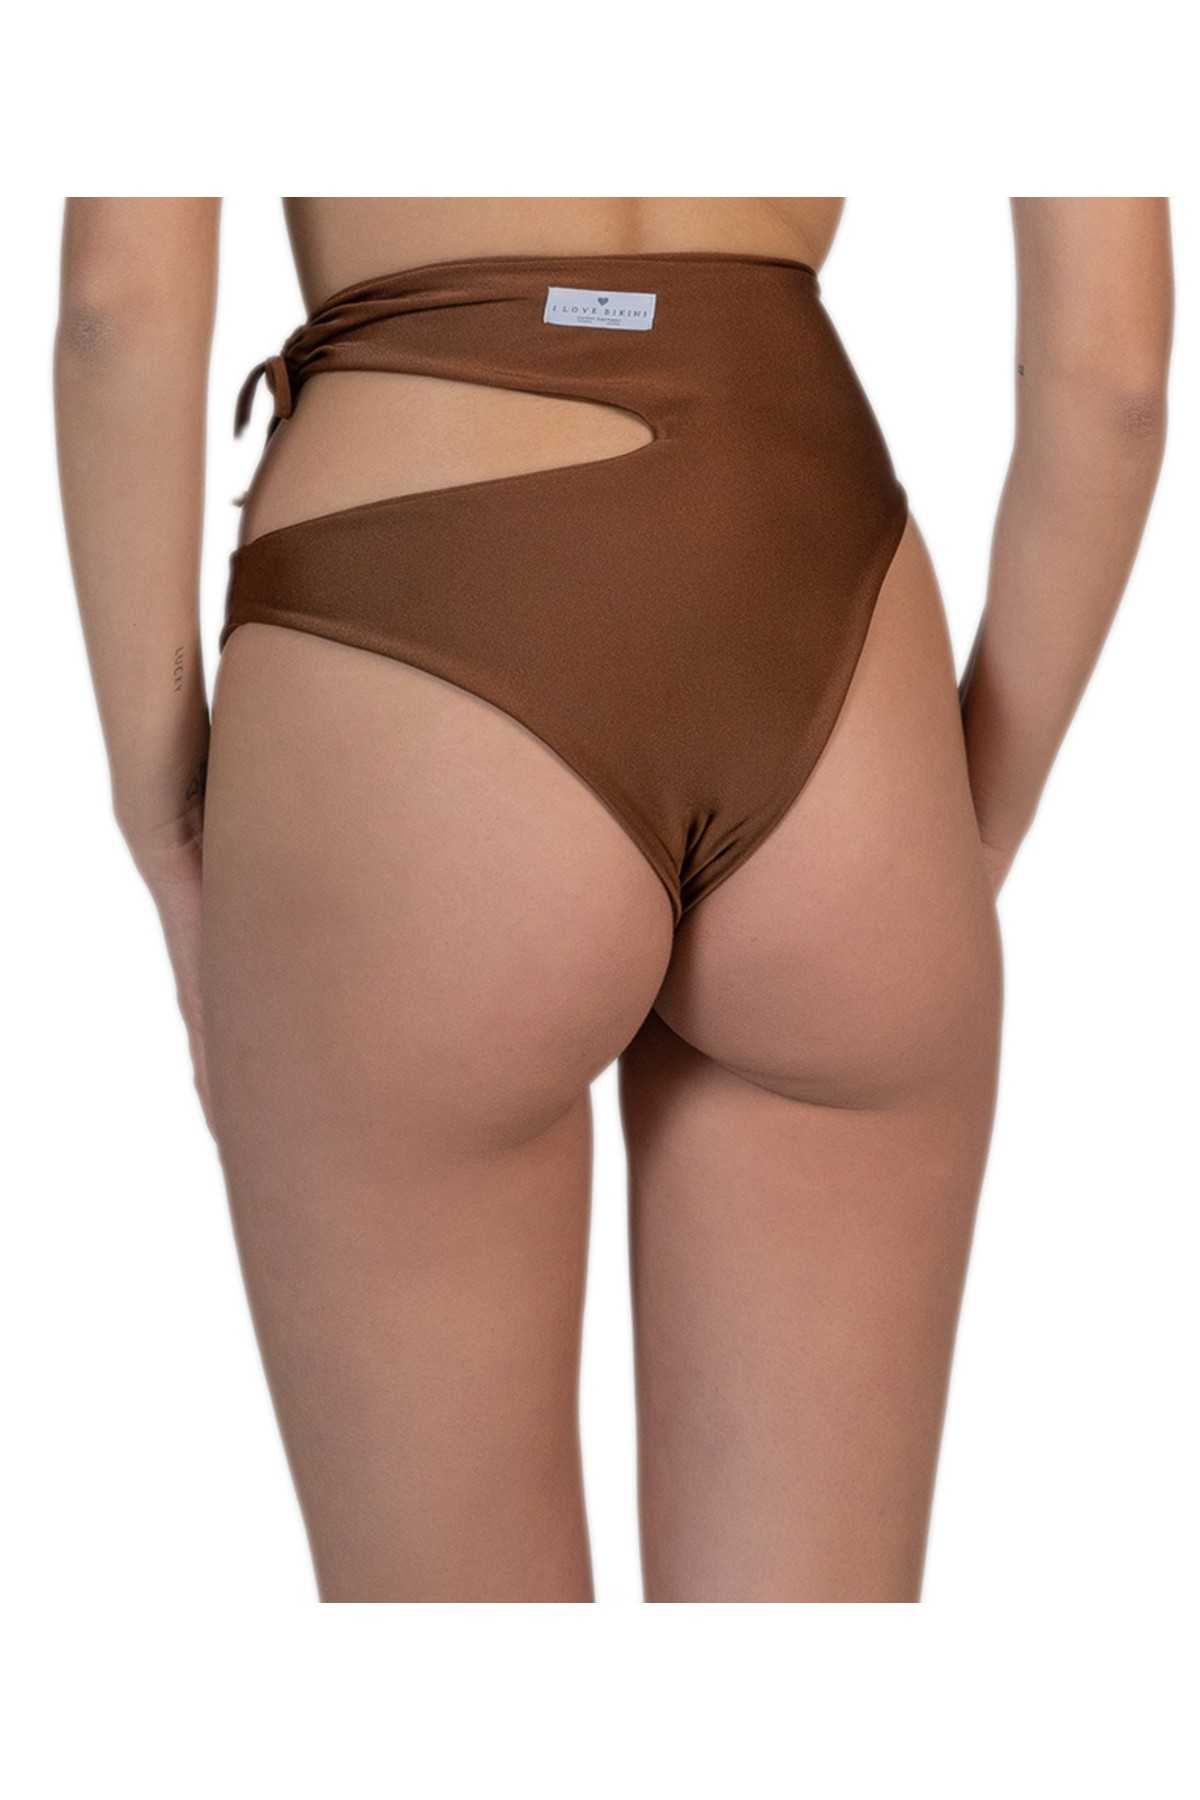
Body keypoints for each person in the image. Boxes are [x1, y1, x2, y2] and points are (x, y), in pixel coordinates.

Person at [55, 198, 1172, 1601]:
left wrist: (166, 822)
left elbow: (116, 309)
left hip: (416, 617)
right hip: (828, 618)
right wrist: (972, 831)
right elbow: (1115, 377)